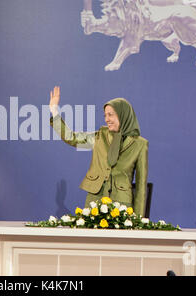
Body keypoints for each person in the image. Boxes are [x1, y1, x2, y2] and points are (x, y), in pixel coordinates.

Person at [49, 86, 148, 216]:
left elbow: (141, 187)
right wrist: (54, 112)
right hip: (94, 201)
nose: (107, 119)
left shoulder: (140, 144)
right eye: (105, 115)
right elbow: (71, 138)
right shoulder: (99, 136)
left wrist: (139, 219)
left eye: (111, 115)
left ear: (123, 115)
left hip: (123, 205)